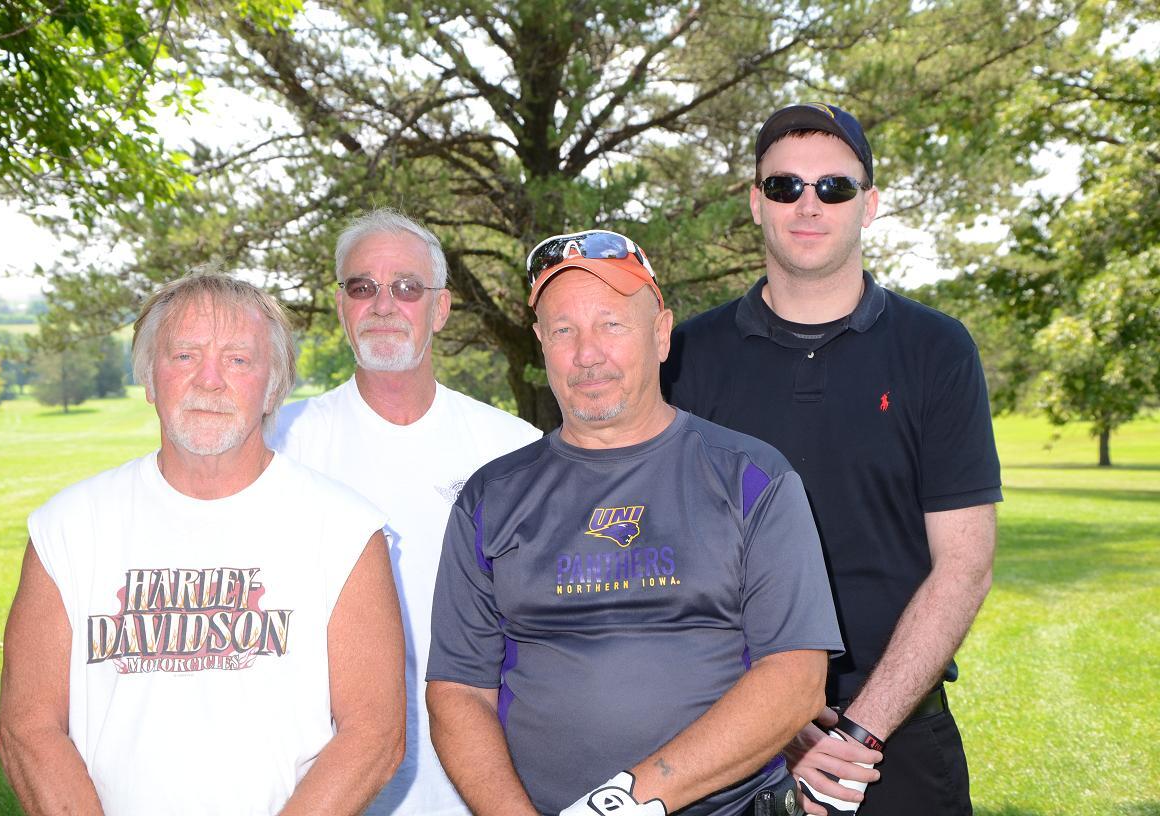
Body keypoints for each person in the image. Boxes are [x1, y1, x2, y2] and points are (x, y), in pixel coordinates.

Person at [425, 230, 844, 816]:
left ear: (661, 332)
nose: (587, 353)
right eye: (563, 330)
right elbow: (458, 691)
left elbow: (797, 678)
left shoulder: (751, 479)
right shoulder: (490, 499)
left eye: (612, 324)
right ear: (541, 344)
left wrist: (629, 801)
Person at [661, 103, 1002, 816]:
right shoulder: (687, 357)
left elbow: (964, 563)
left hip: (894, 738)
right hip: (728, 732)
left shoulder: (935, 349)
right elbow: (670, 560)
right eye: (784, 187)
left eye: (834, 188)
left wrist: (855, 734)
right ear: (756, 203)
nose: (807, 205)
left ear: (868, 205)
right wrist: (777, 719)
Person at [0, 272, 406, 816]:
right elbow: (28, 728)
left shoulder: (347, 532)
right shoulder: (68, 528)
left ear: (274, 387)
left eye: (238, 360)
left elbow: (374, 735)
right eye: (185, 356)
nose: (209, 381)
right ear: (149, 378)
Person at [270, 209, 541, 816]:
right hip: (322, 787)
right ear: (341, 306)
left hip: (477, 782)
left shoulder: (511, 448)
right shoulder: (281, 444)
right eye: (362, 287)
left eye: (406, 288)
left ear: (440, 309)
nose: (383, 304)